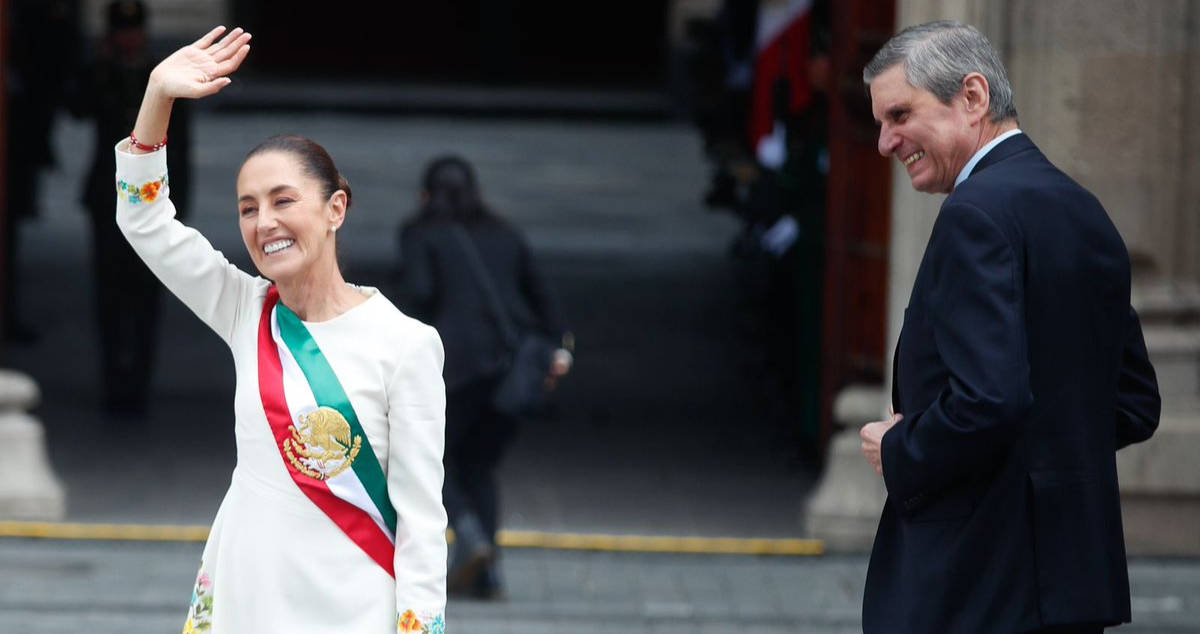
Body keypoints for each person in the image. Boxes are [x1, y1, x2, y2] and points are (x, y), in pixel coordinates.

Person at [116, 27, 447, 632]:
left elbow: (422, 521)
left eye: (283, 200)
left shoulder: (406, 344)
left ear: (335, 209)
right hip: (251, 597)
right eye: (247, 207)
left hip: (353, 607)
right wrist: (157, 94)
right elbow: (145, 221)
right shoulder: (246, 310)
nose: (264, 222)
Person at [858, 21, 1160, 634]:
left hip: (977, 587)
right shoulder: (1082, 209)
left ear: (972, 98)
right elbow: (1133, 405)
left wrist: (898, 447)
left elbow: (989, 401)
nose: (885, 143)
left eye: (899, 116)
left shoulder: (975, 214)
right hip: (1070, 584)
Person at [397, 155, 572, 599]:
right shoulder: (506, 233)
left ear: (425, 195)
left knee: (422, 458)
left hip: (456, 369)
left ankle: (472, 538)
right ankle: (488, 574)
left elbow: (420, 294)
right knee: (478, 466)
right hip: (513, 371)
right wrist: (558, 350)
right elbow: (545, 299)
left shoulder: (421, 234)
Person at [74, 0, 193, 419]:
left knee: (145, 294)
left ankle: (138, 384)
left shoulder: (160, 77)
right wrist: (100, 66)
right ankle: (112, 383)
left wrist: (180, 204)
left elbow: (180, 145)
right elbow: (76, 107)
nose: (128, 38)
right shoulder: (103, 70)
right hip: (107, 195)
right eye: (121, 30)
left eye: (133, 29)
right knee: (108, 292)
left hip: (153, 197)